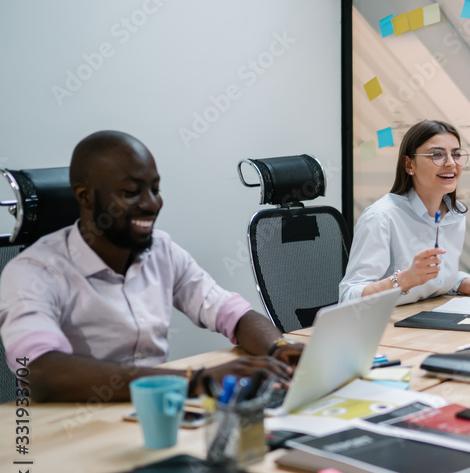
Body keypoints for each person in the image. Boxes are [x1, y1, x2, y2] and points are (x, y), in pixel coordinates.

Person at [0, 131, 303, 402]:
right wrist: (193, 381)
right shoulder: (32, 271)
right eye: (131, 193)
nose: (151, 204)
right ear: (85, 196)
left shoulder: (162, 250)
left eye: (155, 189)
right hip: (75, 430)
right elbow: (39, 372)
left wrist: (277, 348)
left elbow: (230, 313)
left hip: (157, 414)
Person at [340, 120, 470, 304]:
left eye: (456, 154)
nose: (451, 163)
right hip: (389, 329)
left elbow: (437, 280)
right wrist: (404, 280)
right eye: (437, 155)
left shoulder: (456, 214)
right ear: (409, 165)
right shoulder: (381, 217)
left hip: (428, 324)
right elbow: (349, 296)